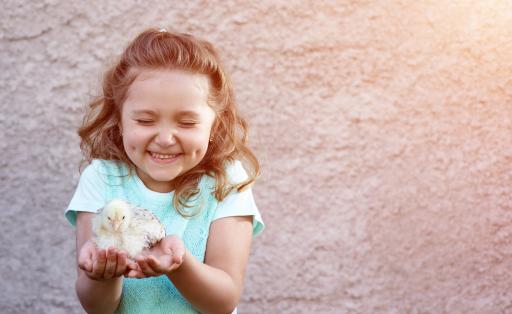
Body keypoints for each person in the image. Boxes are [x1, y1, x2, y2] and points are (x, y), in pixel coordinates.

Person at [64, 28, 264, 314]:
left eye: (186, 123)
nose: (165, 138)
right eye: (145, 120)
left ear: (214, 126)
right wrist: (102, 274)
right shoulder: (100, 178)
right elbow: (97, 307)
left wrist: (178, 265)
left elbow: (223, 300)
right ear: (119, 120)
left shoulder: (228, 180)